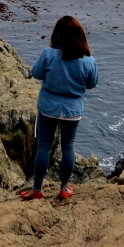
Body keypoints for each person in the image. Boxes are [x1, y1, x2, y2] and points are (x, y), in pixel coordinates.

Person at [21, 16, 98, 201]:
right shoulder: (88, 60)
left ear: (57, 34)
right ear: (80, 35)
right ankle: (64, 188)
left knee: (44, 147)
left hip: (48, 107)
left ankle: (37, 189)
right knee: (68, 147)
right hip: (72, 110)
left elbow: (36, 73)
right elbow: (92, 83)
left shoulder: (48, 53)